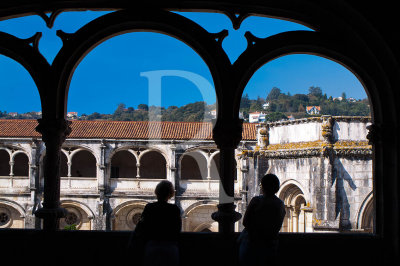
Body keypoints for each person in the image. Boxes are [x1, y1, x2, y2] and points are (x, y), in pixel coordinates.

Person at [238, 174, 286, 266]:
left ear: (263, 187)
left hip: (252, 245)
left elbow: (245, 222)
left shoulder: (256, 201)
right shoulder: (280, 204)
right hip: (270, 245)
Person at [135, 180, 182, 266]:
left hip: (152, 247)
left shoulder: (150, 207)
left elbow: (142, 227)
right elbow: (177, 229)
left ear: (157, 192)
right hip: (170, 247)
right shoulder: (174, 209)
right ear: (170, 194)